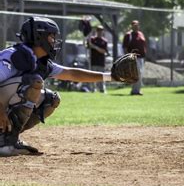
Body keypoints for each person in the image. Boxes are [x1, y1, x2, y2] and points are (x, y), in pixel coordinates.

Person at [0, 17, 129, 156]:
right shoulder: (14, 56)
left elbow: (72, 74)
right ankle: (5, 143)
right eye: (51, 36)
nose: (54, 41)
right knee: (34, 82)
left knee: (51, 99)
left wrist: (110, 76)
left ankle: (8, 138)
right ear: (39, 37)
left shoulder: (39, 61)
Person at [122, 20, 146, 95]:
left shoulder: (141, 34)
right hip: (133, 57)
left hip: (141, 58)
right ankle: (135, 91)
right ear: (132, 26)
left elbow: (144, 45)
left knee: (140, 74)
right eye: (134, 25)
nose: (136, 26)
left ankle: (137, 90)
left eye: (137, 25)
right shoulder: (128, 35)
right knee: (137, 73)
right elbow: (125, 48)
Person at [88, 25, 108, 93]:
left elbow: (103, 51)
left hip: (101, 62)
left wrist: (95, 47)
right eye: (98, 30)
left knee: (102, 76)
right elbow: (88, 46)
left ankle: (102, 89)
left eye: (101, 30)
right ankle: (93, 89)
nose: (100, 32)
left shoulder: (104, 41)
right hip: (93, 61)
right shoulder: (92, 39)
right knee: (92, 76)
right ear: (97, 31)